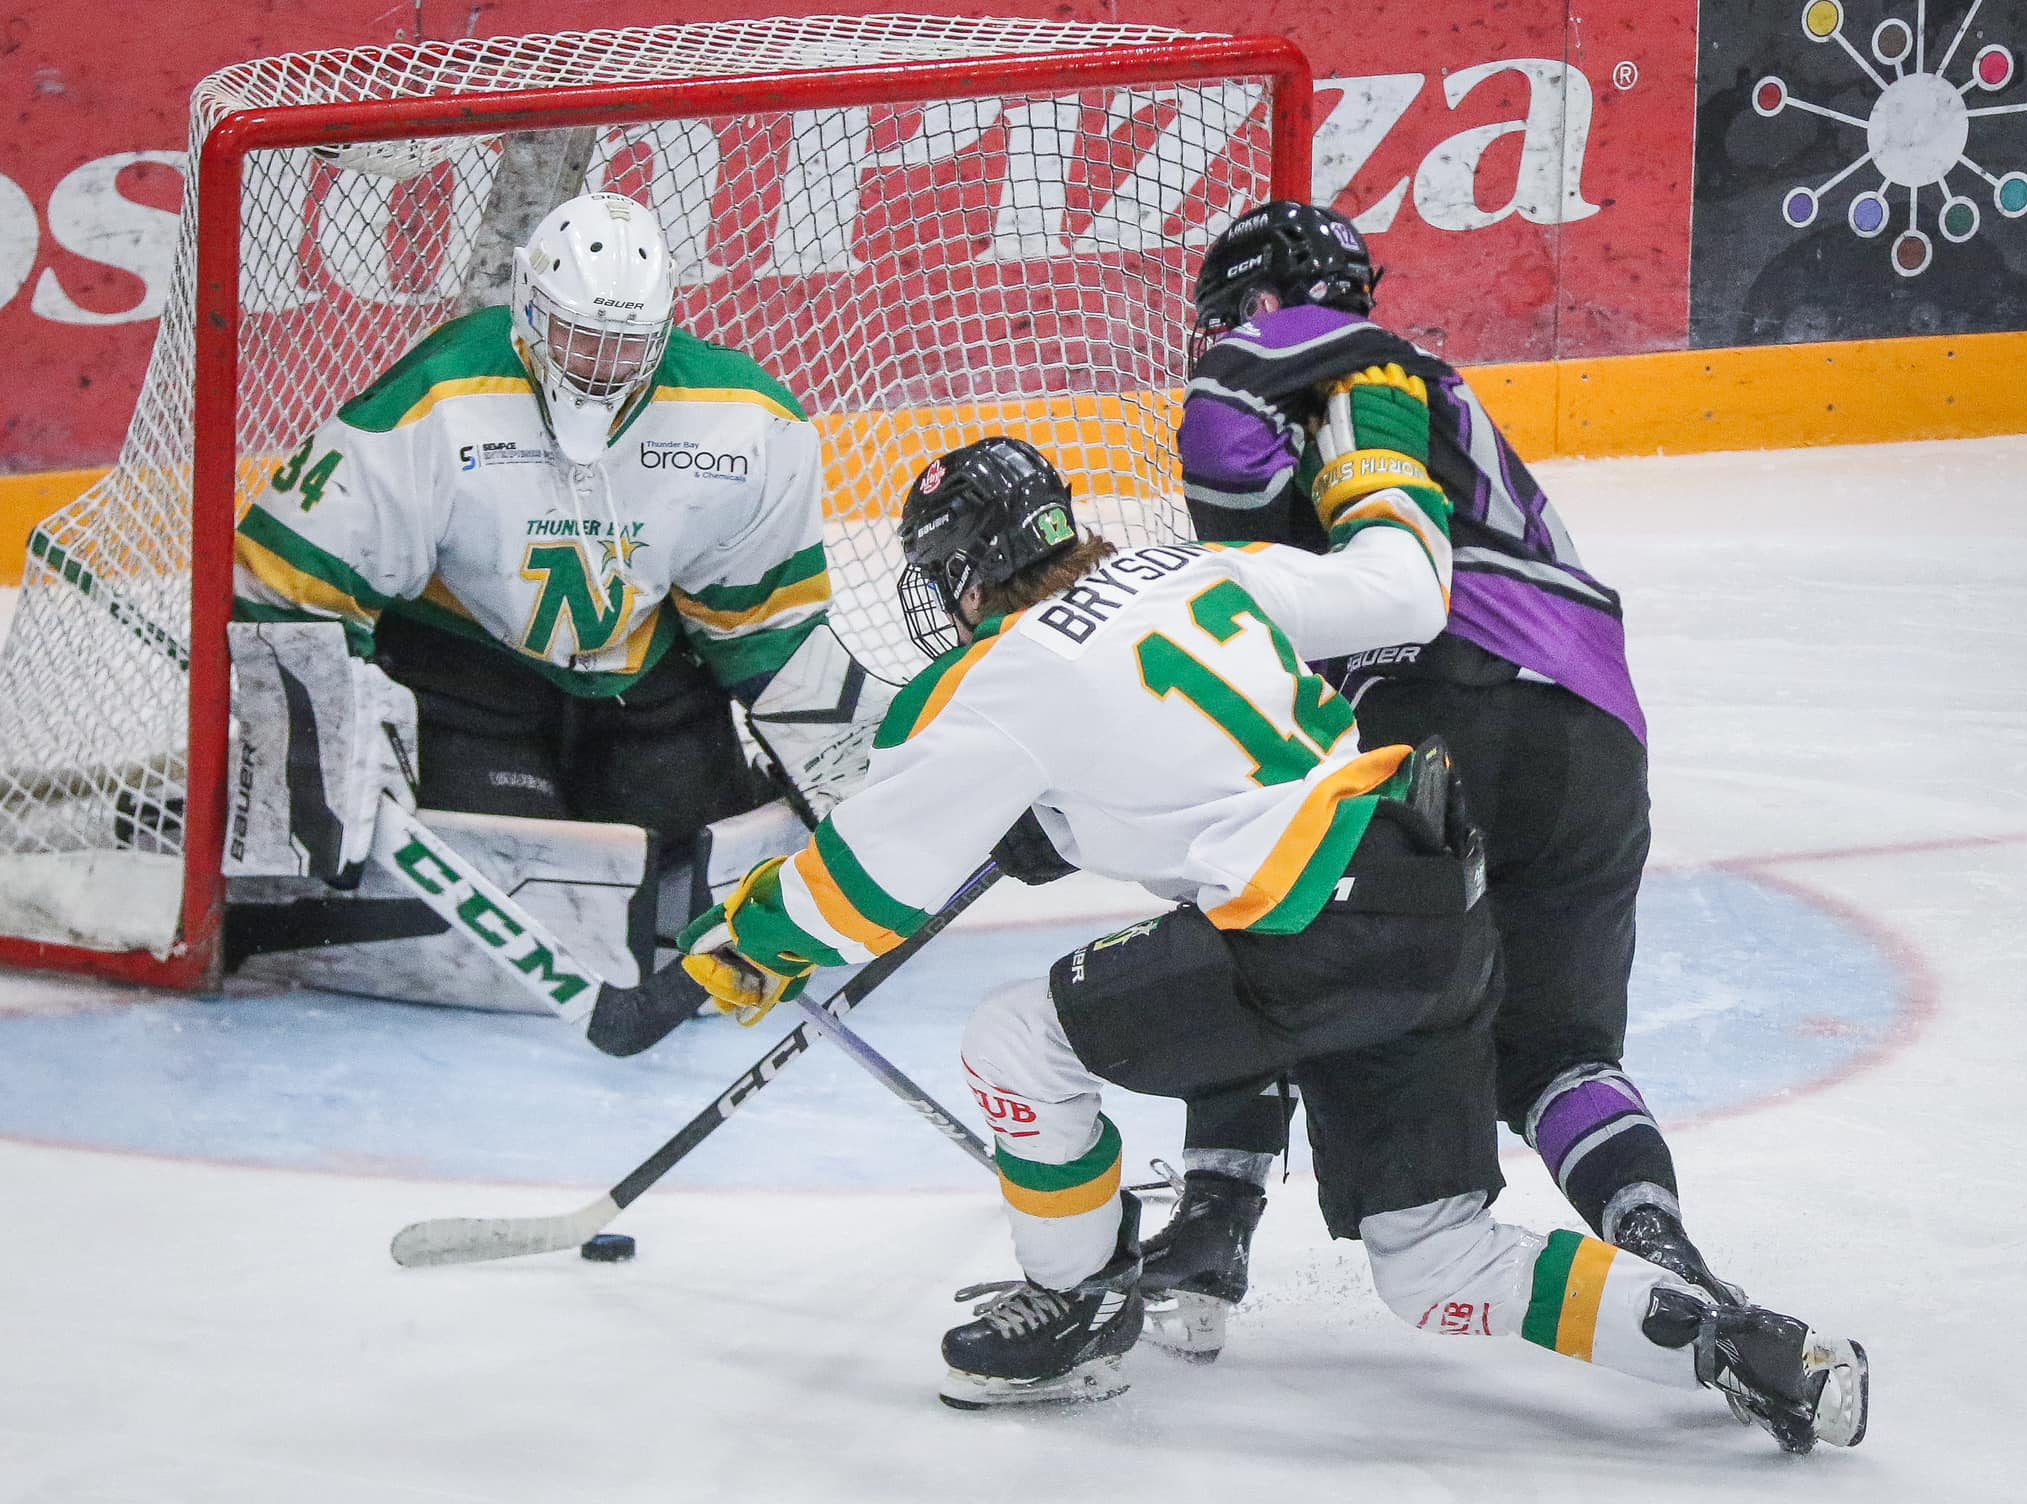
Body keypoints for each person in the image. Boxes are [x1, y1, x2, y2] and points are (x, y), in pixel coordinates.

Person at [676, 421, 1867, 1451]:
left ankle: (1077, 1306)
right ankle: (1734, 1343)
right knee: (1432, 1260)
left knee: (1014, 1038)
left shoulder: (1001, 671)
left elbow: (874, 875)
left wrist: (756, 937)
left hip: (1308, 932)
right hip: (1434, 901)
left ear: (962, 577)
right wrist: (1379, 470)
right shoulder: (1201, 571)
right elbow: (1405, 586)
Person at [1138, 200, 1734, 1354]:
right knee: (1560, 1055)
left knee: (1252, 914)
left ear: (1259, 301)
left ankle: (1212, 1223)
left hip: (1430, 704)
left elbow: (1222, 437)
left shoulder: (1293, 351)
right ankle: (1663, 1251)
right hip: (1594, 733)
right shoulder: (1430, 388)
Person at [233, 191, 882, 1055]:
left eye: (625, 343)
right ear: (528, 312)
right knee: (517, 892)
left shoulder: (746, 422)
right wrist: (333, 734)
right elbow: (288, 580)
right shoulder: (442, 396)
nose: (601, 364)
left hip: (649, 681)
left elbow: (763, 625)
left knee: (687, 881)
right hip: (469, 676)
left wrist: (860, 779)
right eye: (580, 336)